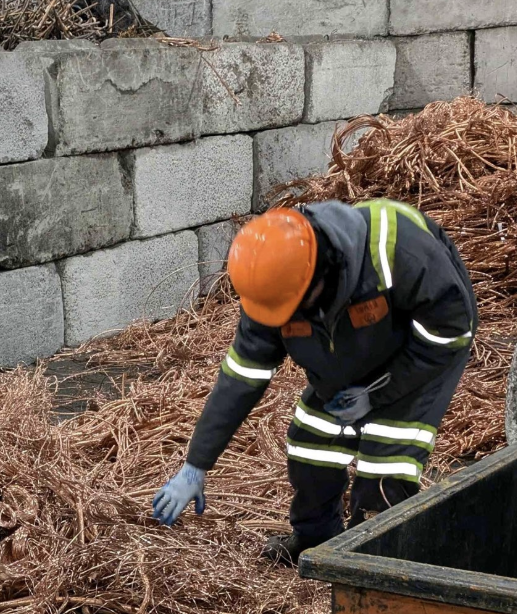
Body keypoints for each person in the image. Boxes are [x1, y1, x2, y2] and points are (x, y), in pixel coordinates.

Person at [151, 199, 477, 564]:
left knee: (386, 467)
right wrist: (196, 465)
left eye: (291, 311)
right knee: (311, 448)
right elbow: (243, 376)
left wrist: (378, 393)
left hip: (419, 352)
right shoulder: (271, 285)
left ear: (320, 276)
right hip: (344, 347)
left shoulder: (397, 251)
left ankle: (376, 566)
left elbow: (448, 333)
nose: (283, 320)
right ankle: (316, 542)